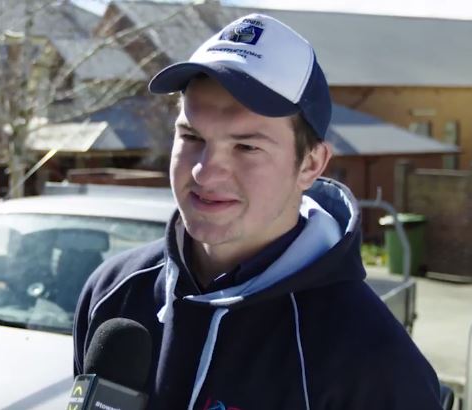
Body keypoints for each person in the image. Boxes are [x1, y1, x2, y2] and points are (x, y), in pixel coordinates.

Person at [73, 13, 442, 410]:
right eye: (192, 136)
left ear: (310, 165)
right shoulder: (113, 293)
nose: (205, 171)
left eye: (246, 147)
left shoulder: (371, 360)